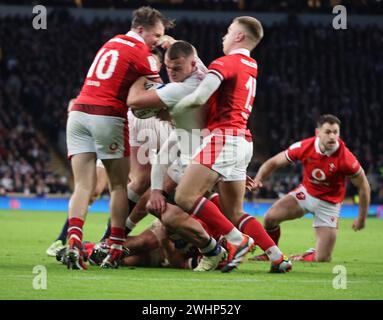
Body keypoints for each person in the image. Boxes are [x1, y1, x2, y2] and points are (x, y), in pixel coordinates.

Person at [168, 16, 291, 272]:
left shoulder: (226, 62)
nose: (223, 36)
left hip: (223, 138)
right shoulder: (251, 64)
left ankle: (237, 240)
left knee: (184, 196)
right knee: (233, 211)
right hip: (242, 142)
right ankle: (277, 257)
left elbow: (200, 96)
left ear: (238, 36)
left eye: (228, 31)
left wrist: (175, 110)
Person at [65, 6, 173, 270]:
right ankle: (113, 246)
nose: (157, 41)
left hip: (78, 113)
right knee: (118, 187)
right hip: (107, 116)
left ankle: (73, 243)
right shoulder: (142, 53)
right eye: (156, 35)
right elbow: (160, 94)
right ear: (140, 30)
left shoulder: (111, 41)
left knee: (82, 186)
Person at [250, 114, 371, 262]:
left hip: (329, 204)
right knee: (270, 218)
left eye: (335, 132)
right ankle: (270, 253)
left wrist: (361, 218)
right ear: (317, 133)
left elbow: (364, 187)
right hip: (306, 194)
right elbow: (274, 162)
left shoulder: (346, 158)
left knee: (323, 258)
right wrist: (258, 179)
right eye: (328, 132)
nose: (332, 137)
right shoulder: (304, 147)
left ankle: (305, 256)